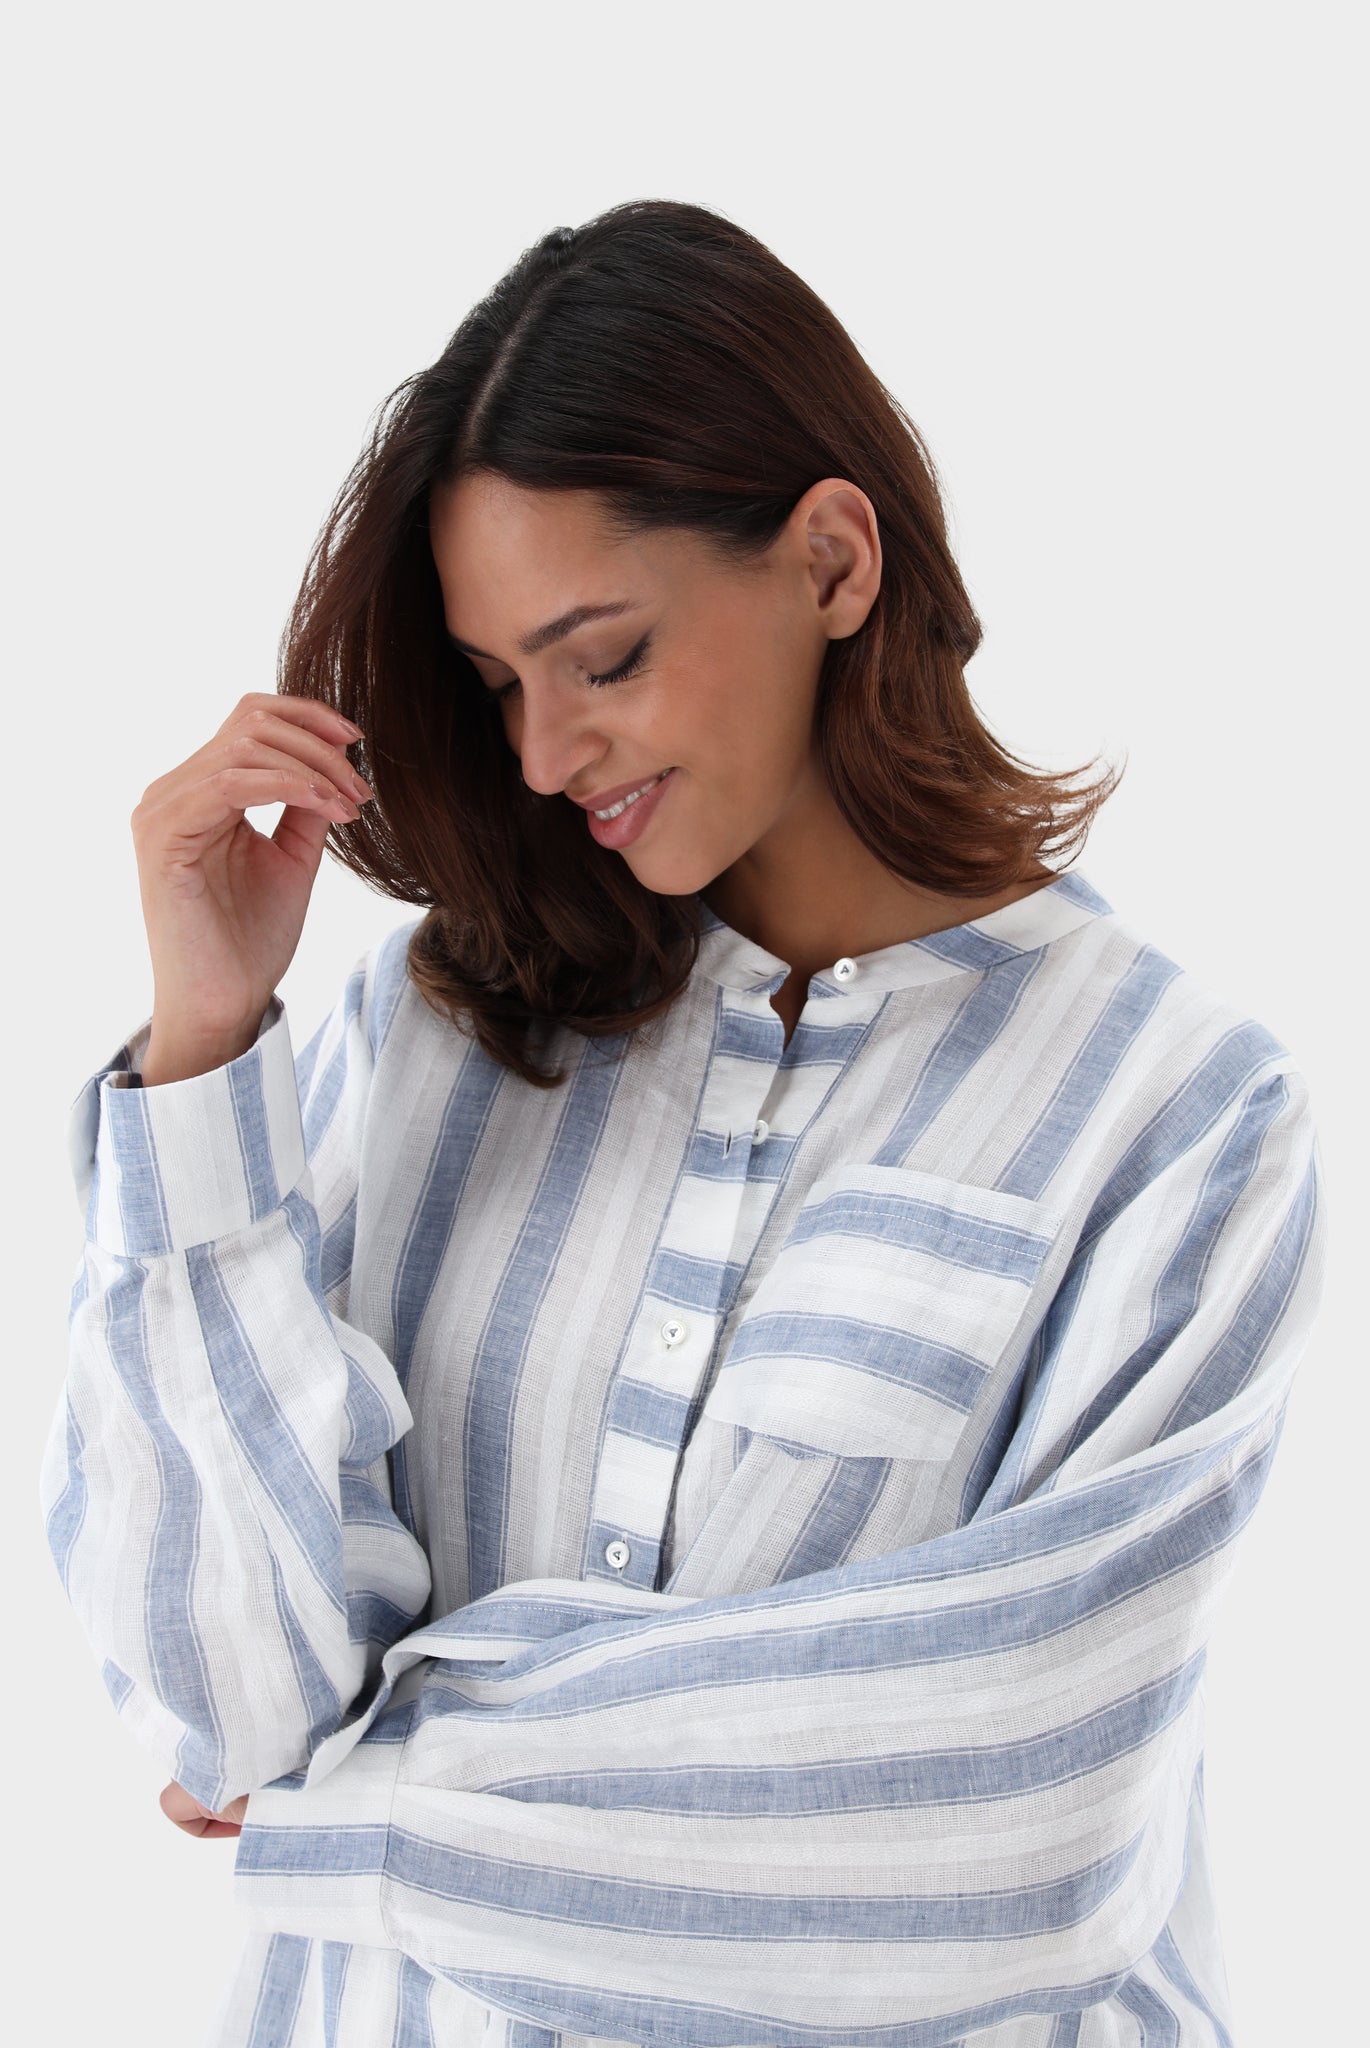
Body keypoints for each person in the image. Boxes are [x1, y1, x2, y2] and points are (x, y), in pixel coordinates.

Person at [41, 198, 1327, 2048]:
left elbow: (1016, 1821)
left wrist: (355, 1802)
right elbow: (226, 1705)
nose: (543, 755)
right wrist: (205, 1045)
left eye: (605, 656)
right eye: (500, 686)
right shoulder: (427, 1039)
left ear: (831, 561)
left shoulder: (1175, 1110)